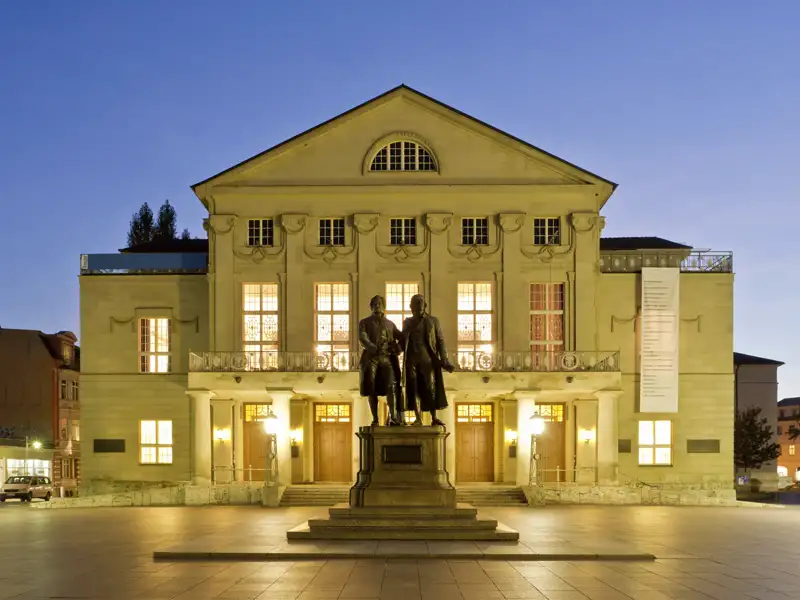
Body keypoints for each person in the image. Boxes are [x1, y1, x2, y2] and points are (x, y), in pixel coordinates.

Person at [402, 294, 455, 427]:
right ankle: (417, 417)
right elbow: (402, 341)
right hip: (411, 359)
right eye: (415, 302)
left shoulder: (433, 321)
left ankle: (434, 417)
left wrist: (444, 359)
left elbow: (440, 341)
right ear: (411, 306)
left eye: (421, 302)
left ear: (425, 305)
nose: (419, 304)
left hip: (428, 359)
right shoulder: (407, 322)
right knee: (413, 388)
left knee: (430, 388)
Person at [358, 295, 404, 426]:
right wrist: (374, 348)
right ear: (371, 306)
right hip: (371, 358)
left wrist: (397, 347)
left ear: (383, 306)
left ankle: (393, 416)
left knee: (391, 386)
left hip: (386, 358)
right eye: (374, 304)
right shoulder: (364, 322)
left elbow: (402, 337)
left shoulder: (390, 324)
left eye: (379, 303)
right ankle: (375, 419)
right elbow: (363, 338)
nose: (377, 305)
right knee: (371, 389)